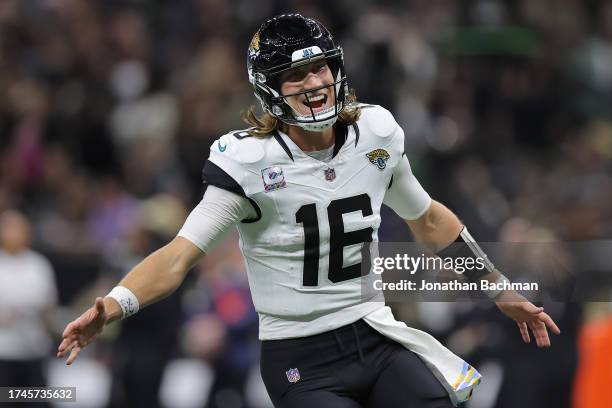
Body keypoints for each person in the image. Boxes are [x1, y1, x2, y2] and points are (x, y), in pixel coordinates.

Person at [58, 14, 560, 408]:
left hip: (374, 331)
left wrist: (498, 288)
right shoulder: (250, 162)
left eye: (319, 67)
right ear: (268, 88)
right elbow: (179, 256)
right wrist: (113, 304)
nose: (313, 82)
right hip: (301, 356)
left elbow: (427, 219)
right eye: (294, 75)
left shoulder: (375, 134)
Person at [0, 210, 58, 408]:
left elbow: (49, 305)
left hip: (33, 351)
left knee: (34, 402)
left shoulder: (39, 265)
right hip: (4, 353)